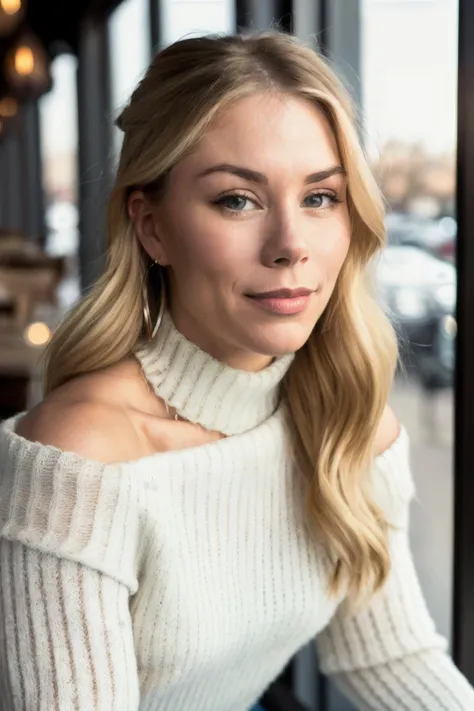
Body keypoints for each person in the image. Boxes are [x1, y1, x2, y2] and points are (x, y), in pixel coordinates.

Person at [0, 30, 472, 711]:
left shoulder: (345, 417)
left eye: (320, 198)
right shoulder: (83, 460)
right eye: (237, 200)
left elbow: (390, 654)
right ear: (152, 227)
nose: (290, 246)